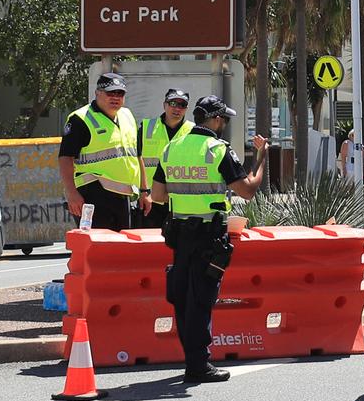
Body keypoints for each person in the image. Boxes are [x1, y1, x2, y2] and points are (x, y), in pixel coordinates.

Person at [151, 95, 268, 384]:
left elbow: (157, 196)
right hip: (208, 237)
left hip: (179, 236)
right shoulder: (217, 149)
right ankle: (198, 365)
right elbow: (247, 191)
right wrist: (261, 158)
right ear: (215, 119)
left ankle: (192, 360)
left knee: (181, 297)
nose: (225, 124)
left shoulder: (171, 148)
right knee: (202, 299)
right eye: (224, 119)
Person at [57, 73, 147, 231]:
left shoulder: (127, 116)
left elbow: (137, 155)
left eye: (120, 93)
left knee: (122, 250)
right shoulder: (80, 119)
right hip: (92, 196)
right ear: (97, 93)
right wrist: (71, 193)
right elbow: (65, 158)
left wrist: (145, 191)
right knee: (96, 249)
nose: (115, 97)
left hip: (123, 197)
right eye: (110, 93)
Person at [136, 89, 194, 229]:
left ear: (186, 109)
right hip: (151, 200)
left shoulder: (193, 131)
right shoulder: (147, 127)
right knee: (151, 246)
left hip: (181, 201)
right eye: (173, 103)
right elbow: (137, 159)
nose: (177, 108)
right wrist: (143, 192)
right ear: (164, 105)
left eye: (182, 105)